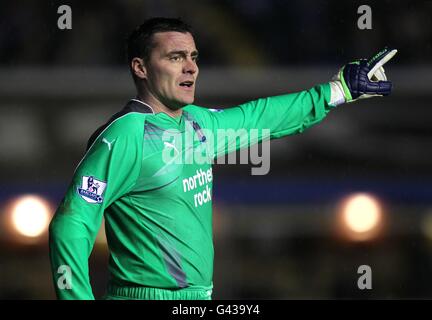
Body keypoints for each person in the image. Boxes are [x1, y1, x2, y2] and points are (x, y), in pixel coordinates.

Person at [49, 17, 397, 300]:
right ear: (140, 67)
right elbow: (71, 222)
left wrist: (337, 91)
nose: (190, 68)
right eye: (175, 57)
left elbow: (260, 117)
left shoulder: (198, 124)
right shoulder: (125, 135)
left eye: (193, 57)